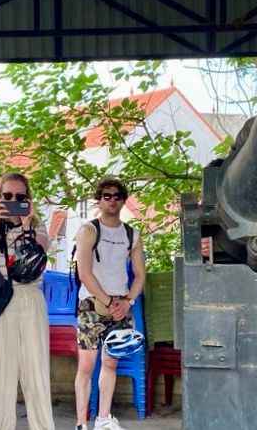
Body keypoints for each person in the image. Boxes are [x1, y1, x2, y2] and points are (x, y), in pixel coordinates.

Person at [0, 173, 54, 430]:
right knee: (0, 376)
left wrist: (26, 226)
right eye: (7, 196)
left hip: (29, 298)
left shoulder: (37, 225)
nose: (13, 201)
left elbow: (32, 267)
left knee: (36, 374)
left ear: (28, 199)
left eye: (20, 197)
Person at [74, 178, 146, 430]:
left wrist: (127, 302)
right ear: (99, 199)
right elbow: (84, 272)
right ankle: (82, 423)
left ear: (123, 200)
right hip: (92, 304)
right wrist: (109, 301)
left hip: (121, 304)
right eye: (106, 195)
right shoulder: (89, 230)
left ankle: (103, 418)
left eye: (117, 196)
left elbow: (140, 274)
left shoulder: (131, 233)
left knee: (111, 362)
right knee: (86, 365)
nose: (112, 200)